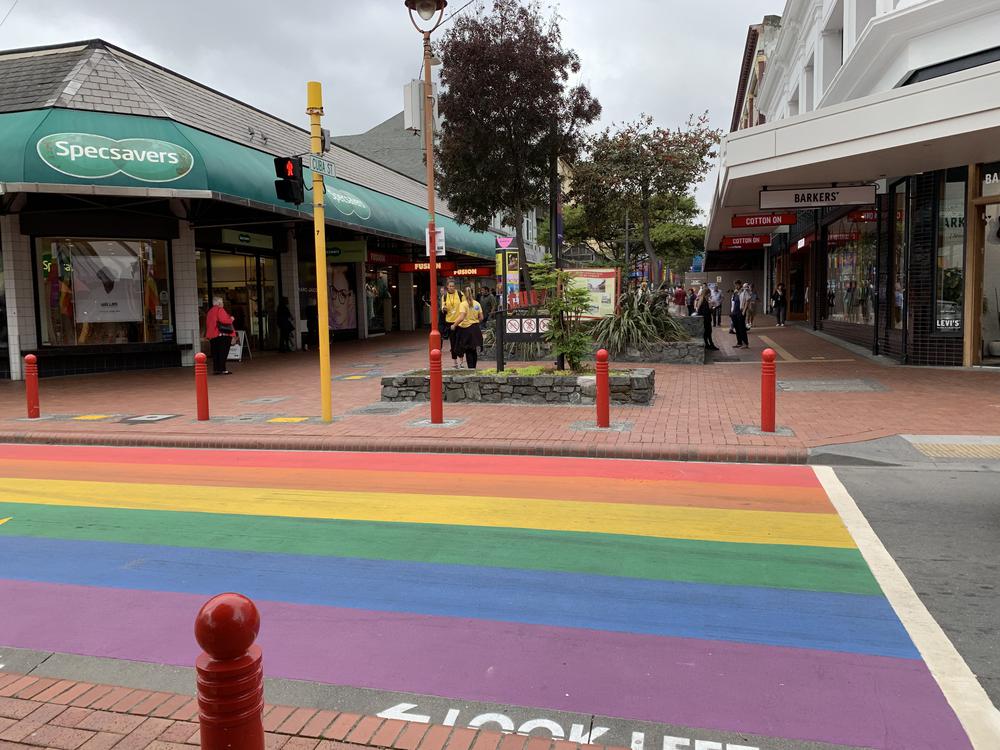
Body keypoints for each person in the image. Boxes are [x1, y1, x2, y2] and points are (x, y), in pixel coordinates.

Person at [451, 286, 484, 370]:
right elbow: (481, 318)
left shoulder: (463, 304)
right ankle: (474, 368)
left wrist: (454, 325)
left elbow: (461, 317)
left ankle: (471, 369)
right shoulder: (477, 303)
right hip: (475, 329)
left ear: (464, 295)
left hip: (466, 330)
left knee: (468, 350)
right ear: (472, 293)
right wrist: (474, 321)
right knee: (473, 350)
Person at [205, 295, 237, 374]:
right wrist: (231, 319)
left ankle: (216, 369)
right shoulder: (220, 309)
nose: (223, 303)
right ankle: (222, 369)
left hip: (213, 335)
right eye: (222, 302)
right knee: (223, 353)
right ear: (219, 303)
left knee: (215, 353)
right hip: (222, 335)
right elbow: (225, 320)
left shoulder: (210, 311)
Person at [441, 280, 463, 367]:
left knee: (460, 342)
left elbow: (465, 305)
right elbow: (442, 307)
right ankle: (455, 362)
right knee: (453, 342)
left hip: (460, 322)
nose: (451, 287)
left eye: (453, 286)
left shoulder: (460, 294)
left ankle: (461, 361)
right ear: (447, 287)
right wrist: (444, 308)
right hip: (449, 322)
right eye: (450, 286)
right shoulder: (445, 296)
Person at [695, 286, 718, 351]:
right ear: (707, 294)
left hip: (704, 320)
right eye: (709, 293)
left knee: (706, 333)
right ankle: (711, 345)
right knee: (708, 333)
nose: (710, 295)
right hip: (706, 320)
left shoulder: (701, 300)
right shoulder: (704, 302)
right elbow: (706, 312)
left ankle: (708, 345)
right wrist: (712, 308)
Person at [731, 281, 749, 349]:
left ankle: (745, 343)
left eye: (737, 285)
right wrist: (732, 311)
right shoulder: (735, 292)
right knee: (737, 328)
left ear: (740, 285)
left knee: (742, 328)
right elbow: (733, 302)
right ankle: (739, 342)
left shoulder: (744, 291)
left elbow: (747, 300)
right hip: (735, 312)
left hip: (741, 312)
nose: (736, 286)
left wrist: (744, 310)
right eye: (735, 285)